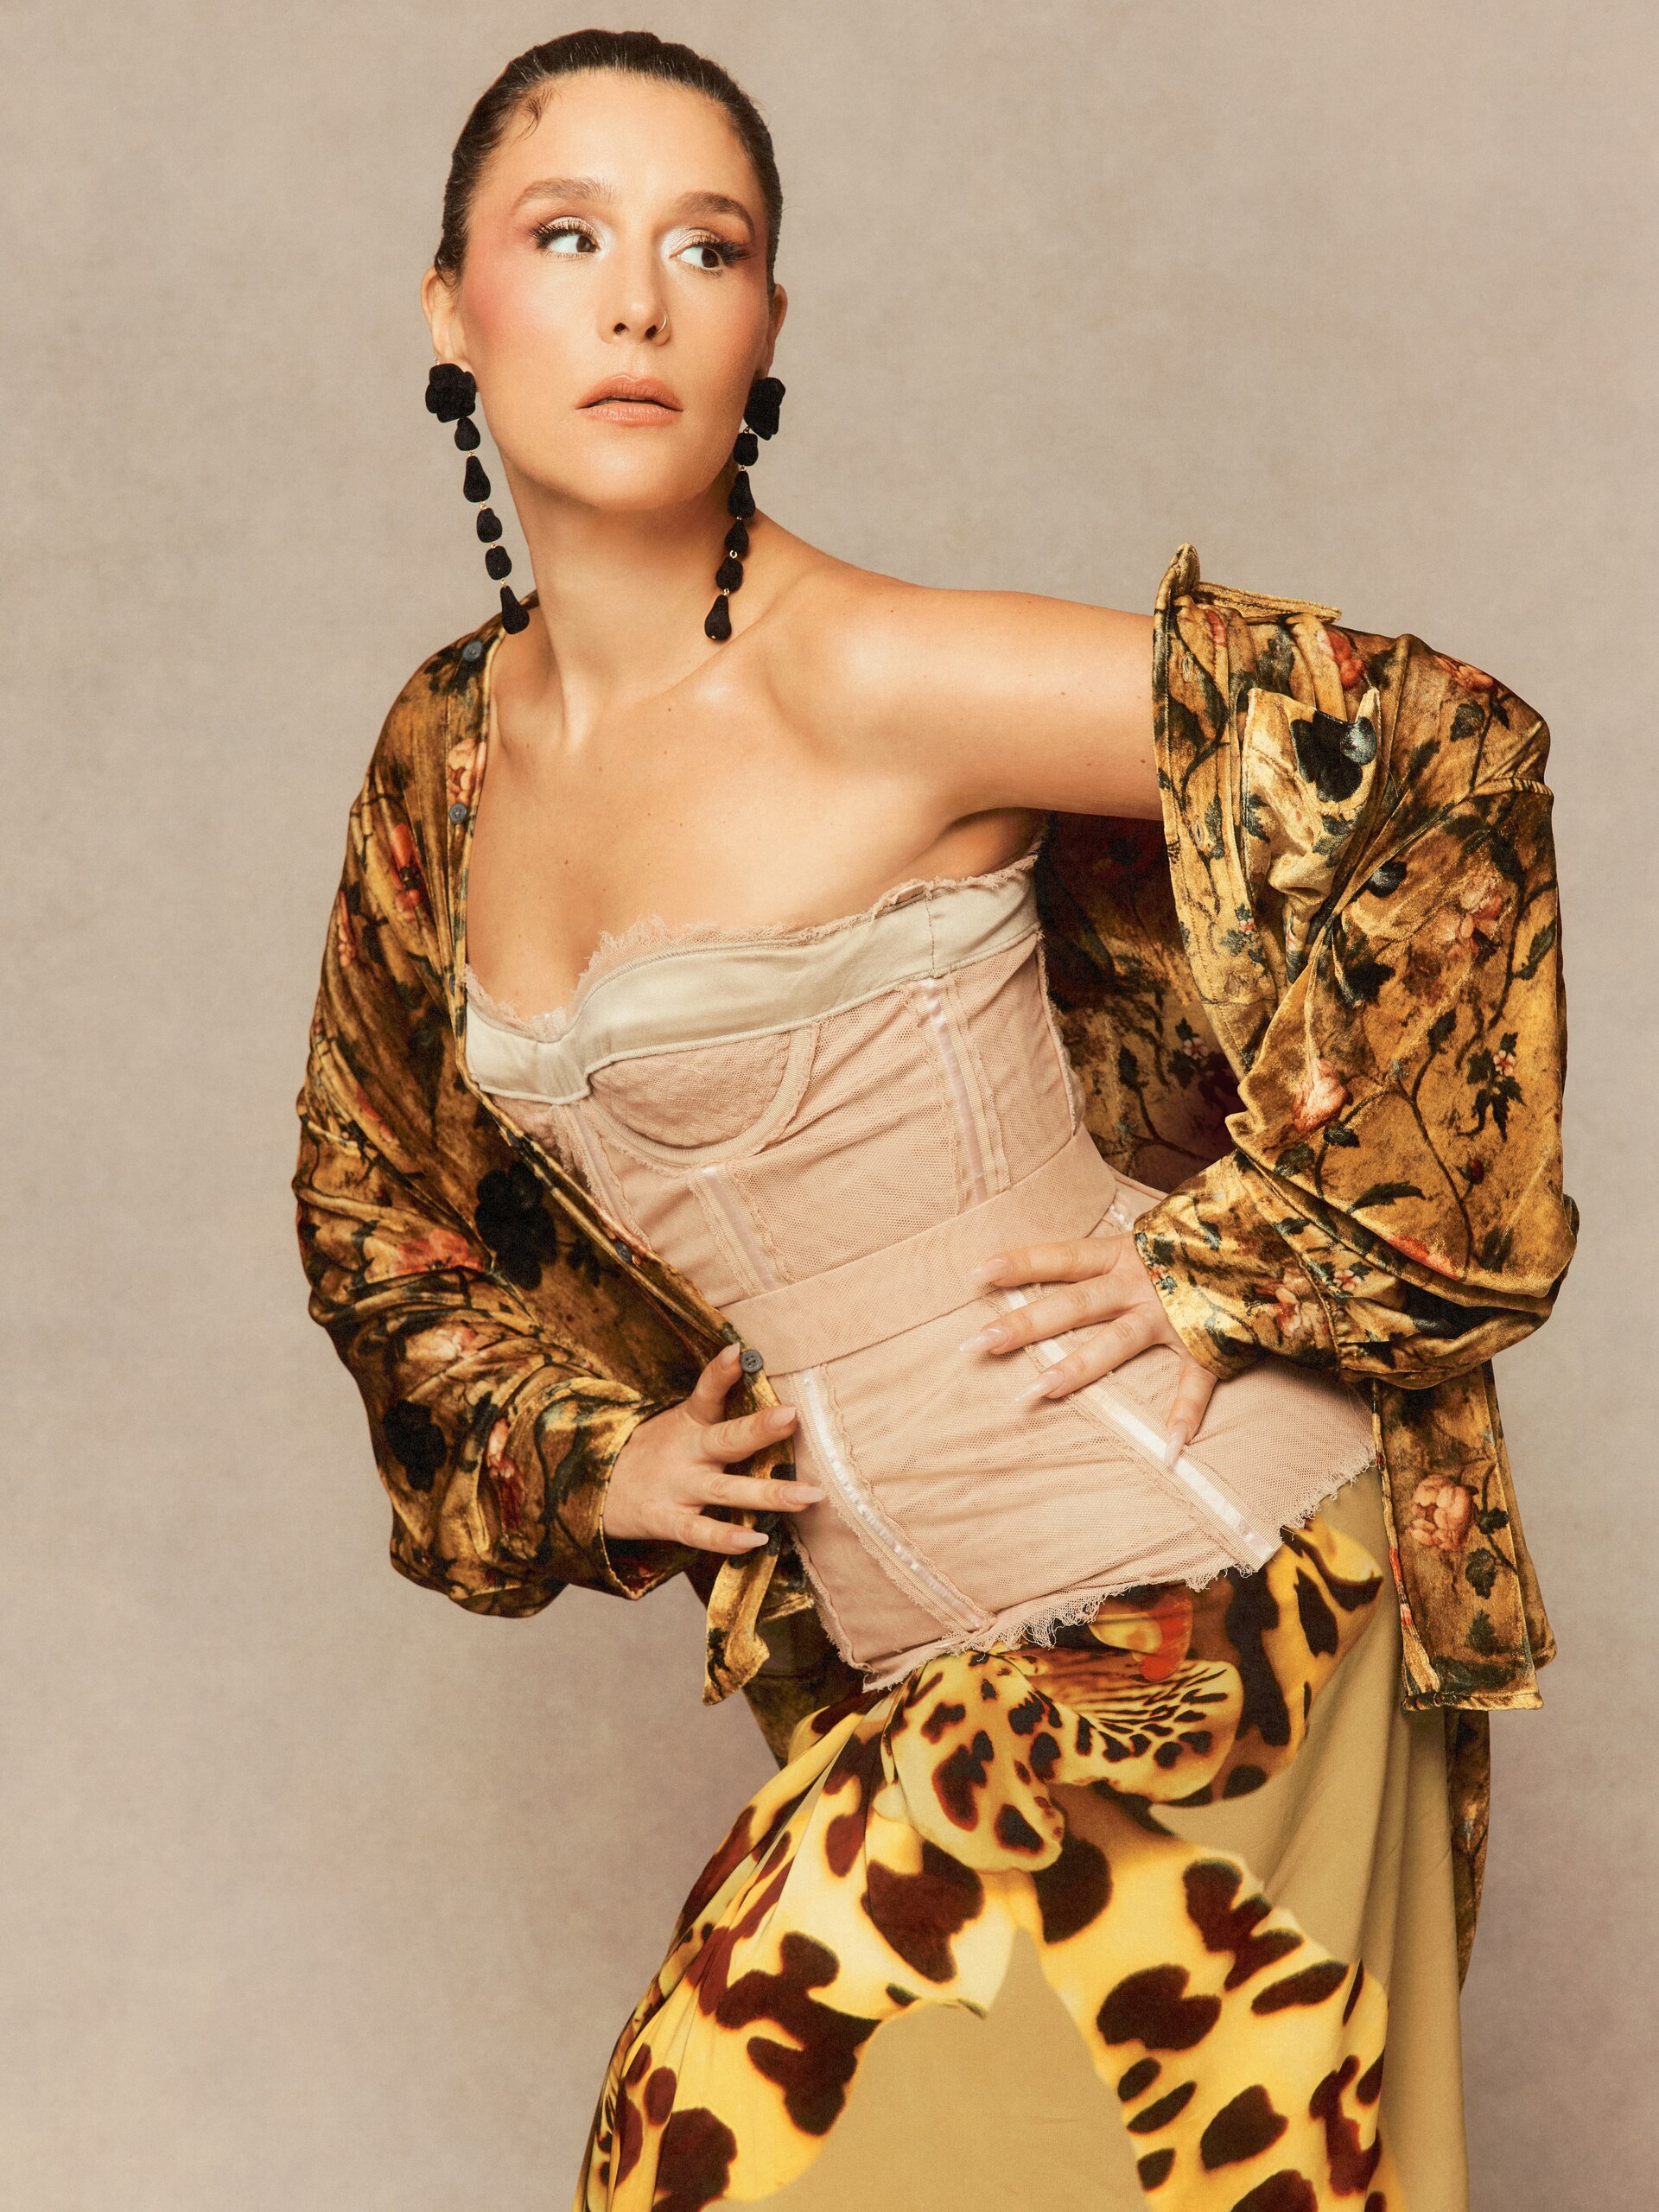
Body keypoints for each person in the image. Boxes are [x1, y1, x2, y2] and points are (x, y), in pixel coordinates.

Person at [292, 29, 1574, 2211]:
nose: (638, 302)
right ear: (450, 307)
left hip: (1204, 1592)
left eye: (708, 249)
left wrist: (1241, 1255)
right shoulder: (446, 763)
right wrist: (600, 1453)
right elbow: (375, 1197)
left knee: (706, 2154)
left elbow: (1439, 762)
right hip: (914, 1656)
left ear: (767, 325)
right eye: (568, 238)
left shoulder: (867, 672)